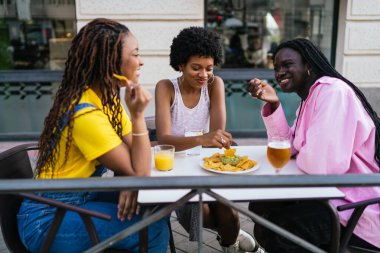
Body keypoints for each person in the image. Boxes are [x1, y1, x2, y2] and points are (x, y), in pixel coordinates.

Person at [17, 18, 169, 253]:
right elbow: (140, 170)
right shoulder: (85, 114)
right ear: (110, 63)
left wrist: (129, 177)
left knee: (153, 207)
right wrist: (138, 116)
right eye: (136, 54)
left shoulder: (106, 99)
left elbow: (136, 161)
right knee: (153, 226)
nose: (141, 61)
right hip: (47, 219)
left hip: (78, 200)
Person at [247, 38, 380, 252]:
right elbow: (287, 147)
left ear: (308, 65)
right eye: (276, 67)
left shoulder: (333, 92)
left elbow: (320, 167)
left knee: (280, 232)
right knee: (261, 206)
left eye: (287, 65)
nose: (280, 72)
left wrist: (302, 152)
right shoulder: (310, 97)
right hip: (327, 196)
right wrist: (274, 104)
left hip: (353, 210)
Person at [155, 26, 264, 253]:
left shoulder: (215, 84)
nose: (203, 75)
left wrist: (207, 139)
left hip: (207, 165)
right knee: (204, 212)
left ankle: (230, 244)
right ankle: (233, 237)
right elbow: (164, 138)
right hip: (177, 170)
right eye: (196, 68)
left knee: (227, 210)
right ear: (181, 64)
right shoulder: (166, 88)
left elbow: (218, 136)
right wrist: (201, 139)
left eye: (209, 68)